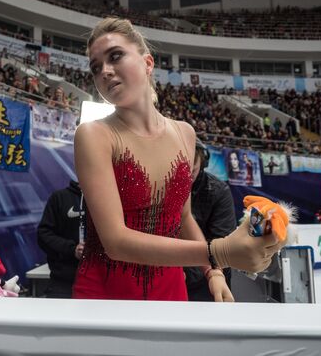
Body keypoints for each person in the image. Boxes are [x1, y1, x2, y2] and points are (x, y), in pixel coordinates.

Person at [72, 17, 286, 301]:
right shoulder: (93, 135)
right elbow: (115, 242)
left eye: (115, 56)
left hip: (171, 289)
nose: (105, 72)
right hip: (106, 295)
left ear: (148, 63)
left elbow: (182, 217)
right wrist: (218, 253)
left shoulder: (184, 133)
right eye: (96, 67)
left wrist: (214, 272)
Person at [184, 139, 236, 301]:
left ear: (202, 162)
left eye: (191, 171)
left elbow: (220, 245)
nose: (185, 178)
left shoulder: (218, 192)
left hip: (208, 277)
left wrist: (189, 271)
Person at [37, 180, 85, 298]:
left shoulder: (108, 198)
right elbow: (44, 235)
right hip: (64, 280)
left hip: (103, 279)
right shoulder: (59, 197)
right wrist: (72, 249)